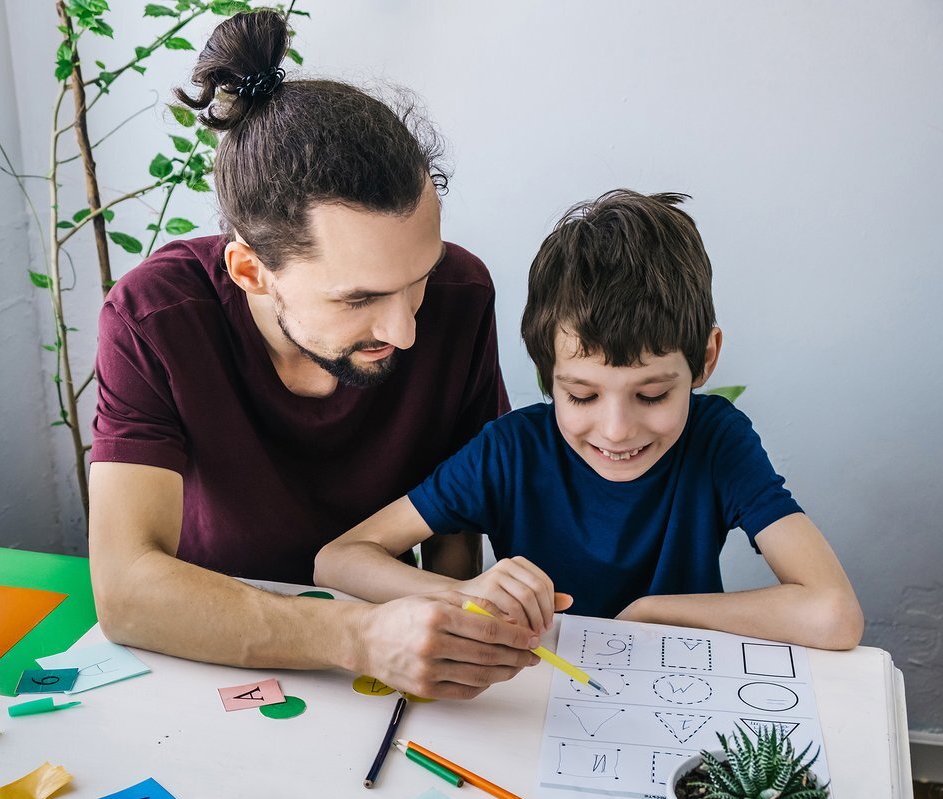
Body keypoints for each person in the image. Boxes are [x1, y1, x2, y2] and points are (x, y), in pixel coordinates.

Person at [87, 9, 541, 700]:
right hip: (213, 655)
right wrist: (357, 637)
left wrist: (452, 636)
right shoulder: (153, 318)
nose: (406, 329)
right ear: (250, 272)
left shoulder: (461, 295)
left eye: (417, 277)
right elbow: (125, 591)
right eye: (359, 297)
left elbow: (457, 522)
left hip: (396, 670)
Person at [315, 189, 864, 650]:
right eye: (581, 396)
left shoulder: (718, 441)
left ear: (705, 360)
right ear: (546, 373)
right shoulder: (510, 452)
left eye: (651, 395)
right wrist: (468, 595)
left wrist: (655, 612)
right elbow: (338, 561)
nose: (617, 429)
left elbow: (834, 613)